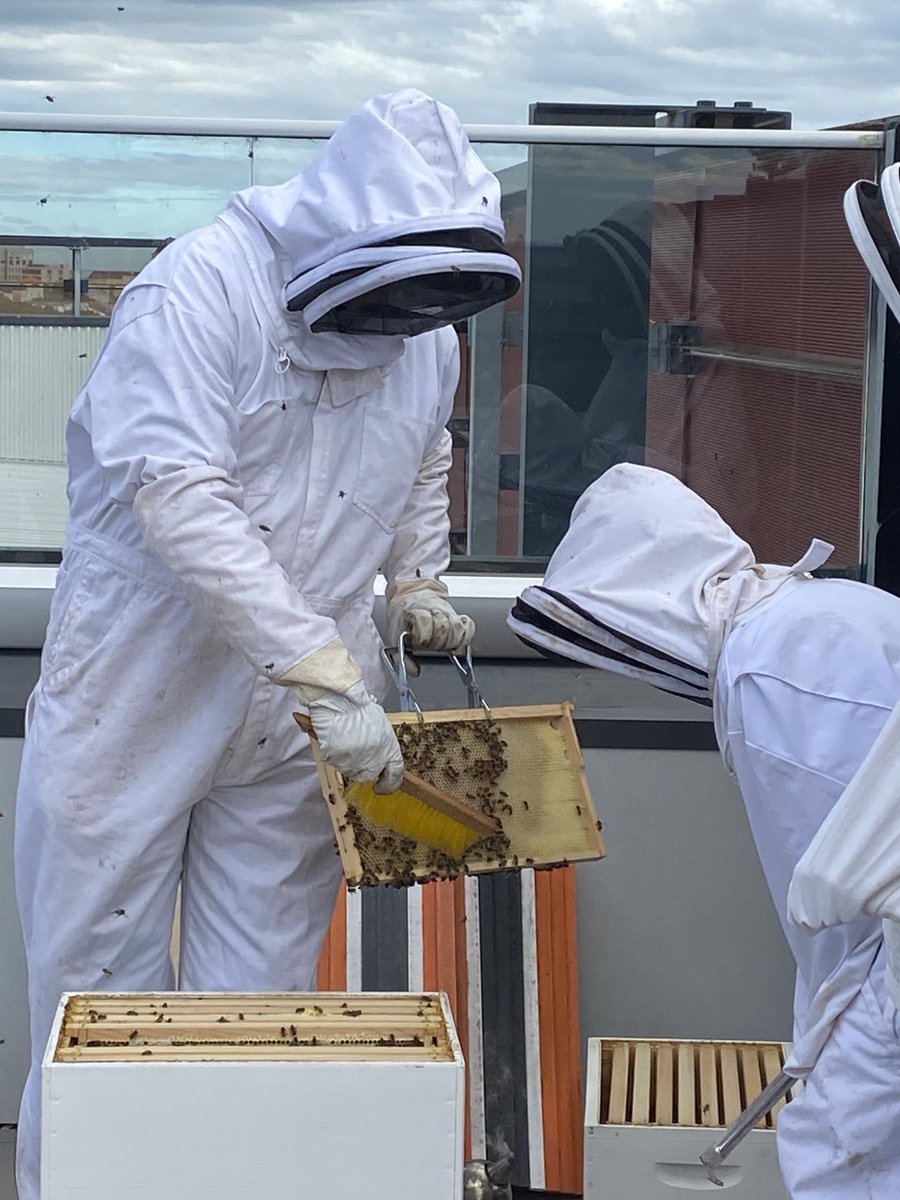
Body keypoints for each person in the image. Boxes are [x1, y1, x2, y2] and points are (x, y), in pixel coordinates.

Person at [14, 87, 521, 1199]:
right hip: (143, 674)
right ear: (341, 238)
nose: (406, 327)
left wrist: (418, 576)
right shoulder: (195, 291)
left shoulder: (424, 333)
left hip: (312, 700)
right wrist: (323, 669)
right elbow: (178, 497)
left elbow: (423, 454)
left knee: (262, 1001)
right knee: (98, 1002)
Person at [509, 462, 900, 1198]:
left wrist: (824, 1043)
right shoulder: (822, 608)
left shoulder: (764, 672)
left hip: (886, 951)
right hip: (882, 931)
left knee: (840, 1150)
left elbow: (830, 903)